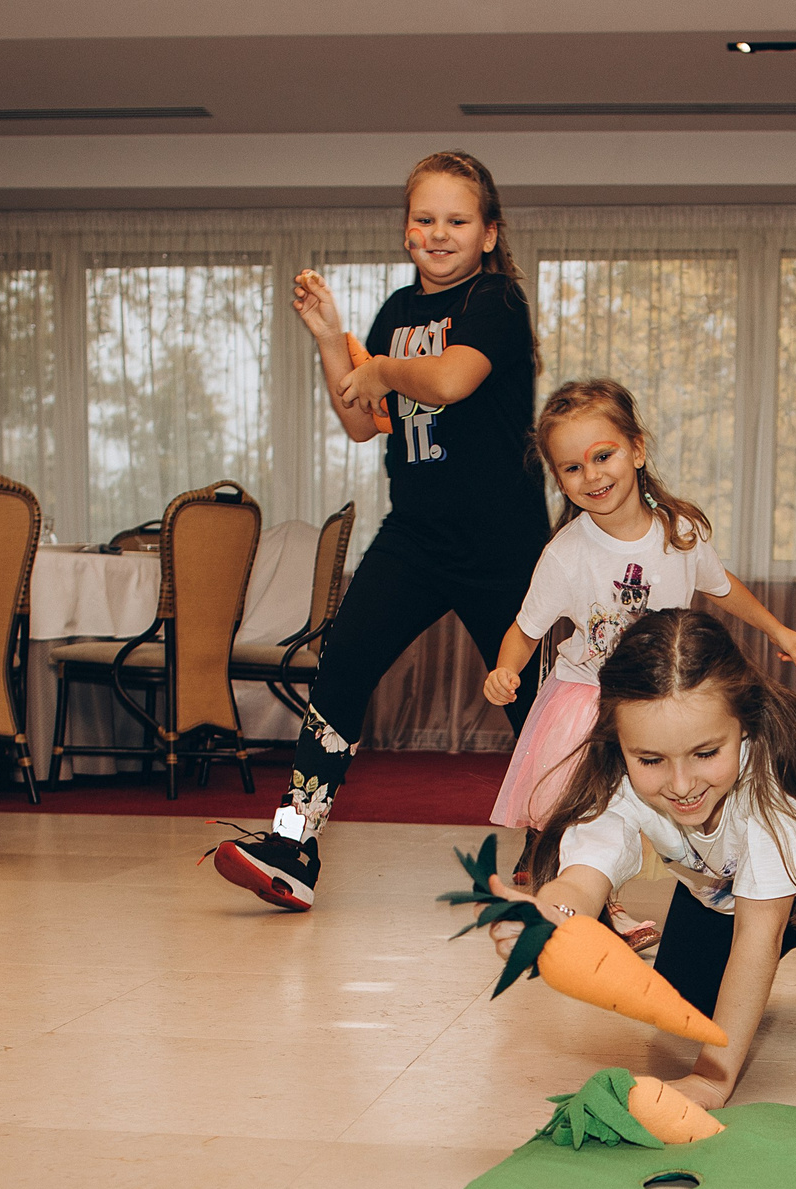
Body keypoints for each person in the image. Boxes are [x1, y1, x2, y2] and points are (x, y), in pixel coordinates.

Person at [213, 150, 550, 913]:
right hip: (415, 538)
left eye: (458, 220)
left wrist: (382, 370)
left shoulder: (496, 300)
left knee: (531, 702)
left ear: (489, 233)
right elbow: (362, 422)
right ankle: (293, 844)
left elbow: (451, 379)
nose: (440, 233)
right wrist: (331, 336)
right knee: (340, 672)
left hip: (502, 543)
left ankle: (560, 847)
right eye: (425, 219)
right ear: (405, 231)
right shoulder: (398, 312)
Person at [499, 609, 796, 1109]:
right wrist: (555, 914)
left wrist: (712, 1078)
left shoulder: (781, 771)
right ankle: (791, 900)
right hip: (729, 868)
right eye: (651, 760)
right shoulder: (617, 771)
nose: (681, 785)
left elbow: (759, 935)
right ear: (618, 741)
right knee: (683, 1006)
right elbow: (584, 877)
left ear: (744, 725)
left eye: (706, 753)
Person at [487, 377, 796, 948]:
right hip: (589, 701)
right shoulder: (565, 554)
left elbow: (721, 586)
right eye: (572, 468)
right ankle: (592, 904)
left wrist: (775, 627)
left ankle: (731, 881)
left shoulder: (678, 533)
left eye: (603, 456)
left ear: (637, 450)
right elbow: (525, 629)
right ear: (558, 478)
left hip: (664, 701)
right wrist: (504, 670)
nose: (592, 476)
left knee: (669, 795)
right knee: (591, 811)